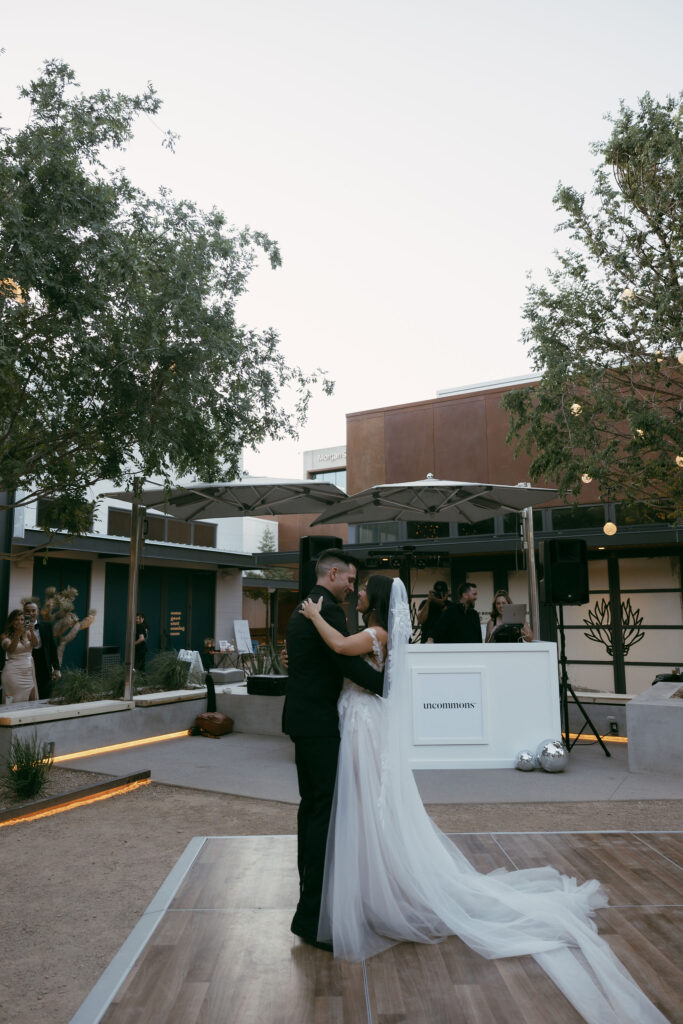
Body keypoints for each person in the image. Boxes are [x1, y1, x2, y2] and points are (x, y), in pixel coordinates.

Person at [299, 576, 669, 1024]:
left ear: (373, 601)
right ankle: (375, 884)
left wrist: (315, 615)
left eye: (362, 591)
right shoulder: (376, 632)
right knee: (365, 804)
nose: (356, 593)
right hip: (359, 719)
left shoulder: (373, 634)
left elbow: (339, 648)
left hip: (362, 722)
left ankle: (378, 887)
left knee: (366, 803)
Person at [283, 548, 385, 952]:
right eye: (349, 579)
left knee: (311, 811)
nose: (351, 587)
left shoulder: (303, 606)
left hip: (302, 723)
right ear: (334, 573)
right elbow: (346, 662)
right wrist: (387, 684)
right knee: (323, 817)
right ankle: (313, 918)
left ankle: (311, 906)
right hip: (321, 726)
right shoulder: (327, 611)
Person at [24, 599, 60, 699]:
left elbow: (52, 647)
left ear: (38, 612)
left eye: (33, 610)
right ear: (23, 612)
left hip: (43, 664)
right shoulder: (19, 626)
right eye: (27, 611)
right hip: (25, 664)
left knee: (45, 693)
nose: (30, 613)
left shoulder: (47, 626)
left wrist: (56, 668)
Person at [1, 609, 39, 703]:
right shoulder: (4, 635)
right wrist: (18, 634)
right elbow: (11, 649)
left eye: (22, 620)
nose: (19, 622)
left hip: (28, 672)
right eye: (16, 619)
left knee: (30, 700)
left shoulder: (28, 633)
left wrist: (32, 631)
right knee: (12, 701)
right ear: (11, 621)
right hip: (13, 673)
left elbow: (35, 644)